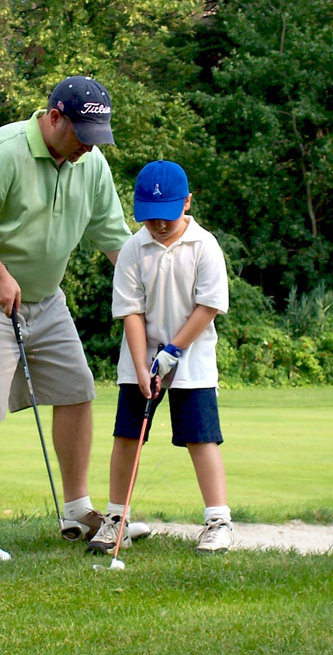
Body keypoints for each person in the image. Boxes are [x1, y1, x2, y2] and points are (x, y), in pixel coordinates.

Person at [0, 75, 137, 561]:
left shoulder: (91, 164)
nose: (88, 147)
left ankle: (78, 509)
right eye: (82, 136)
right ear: (54, 117)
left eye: (96, 138)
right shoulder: (0, 153)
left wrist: (147, 292)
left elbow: (113, 239)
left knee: (77, 388)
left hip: (43, 295)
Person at [87, 160, 234, 556]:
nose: (160, 225)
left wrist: (173, 351)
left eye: (167, 215)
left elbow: (208, 307)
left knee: (201, 437)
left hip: (193, 356)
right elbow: (131, 311)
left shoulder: (205, 246)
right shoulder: (135, 247)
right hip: (139, 356)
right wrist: (141, 365)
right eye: (150, 218)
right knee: (127, 436)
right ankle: (116, 519)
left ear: (186, 203)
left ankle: (218, 522)